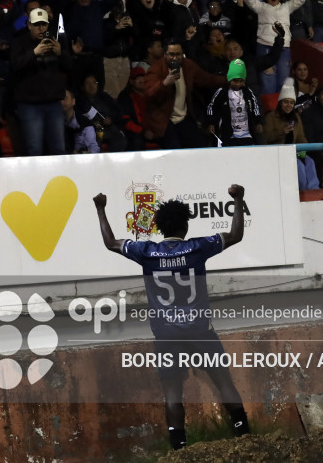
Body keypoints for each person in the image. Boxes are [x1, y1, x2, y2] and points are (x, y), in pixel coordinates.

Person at [92, 186, 251, 451]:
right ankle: (245, 437)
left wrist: (100, 208)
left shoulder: (146, 251)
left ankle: (179, 448)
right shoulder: (198, 248)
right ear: (185, 226)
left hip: (166, 336)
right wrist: (237, 199)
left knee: (173, 394)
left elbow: (111, 242)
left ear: (160, 227)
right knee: (224, 383)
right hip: (201, 332)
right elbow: (235, 235)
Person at [9, 7, 73, 156]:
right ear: (29, 25)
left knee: (58, 148)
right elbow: (15, 66)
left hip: (53, 103)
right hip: (29, 104)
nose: (40, 28)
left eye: (43, 24)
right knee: (34, 148)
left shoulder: (55, 42)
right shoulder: (19, 42)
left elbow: (70, 67)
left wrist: (60, 53)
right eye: (36, 25)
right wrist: (34, 53)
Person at [144, 39, 228, 149]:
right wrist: (164, 83)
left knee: (201, 146)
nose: (175, 58)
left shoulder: (188, 65)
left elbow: (207, 79)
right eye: (171, 54)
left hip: (183, 118)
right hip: (164, 121)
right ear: (165, 54)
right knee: (175, 150)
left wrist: (228, 80)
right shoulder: (156, 69)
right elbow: (149, 93)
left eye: (178, 54)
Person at [241, 0, 306, 96]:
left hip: (283, 47)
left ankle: (281, 108)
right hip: (265, 46)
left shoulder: (287, 7)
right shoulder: (261, 7)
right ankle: (268, 109)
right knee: (267, 80)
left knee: (283, 79)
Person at [263, 78, 320, 190]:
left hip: (294, 152)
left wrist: (304, 147)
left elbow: (300, 137)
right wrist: (281, 132)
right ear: (280, 103)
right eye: (286, 102)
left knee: (310, 161)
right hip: (278, 153)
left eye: (291, 102)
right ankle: (303, 192)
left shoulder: (296, 117)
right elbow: (265, 137)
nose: (288, 105)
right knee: (298, 165)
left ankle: (314, 192)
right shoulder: (270, 117)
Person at [205, 59, 264, 146]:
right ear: (229, 79)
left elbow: (255, 107)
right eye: (235, 81)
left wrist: (258, 122)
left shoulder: (248, 92)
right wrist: (211, 123)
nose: (238, 84)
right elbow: (211, 107)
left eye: (241, 81)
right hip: (228, 134)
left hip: (246, 133)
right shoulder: (222, 92)